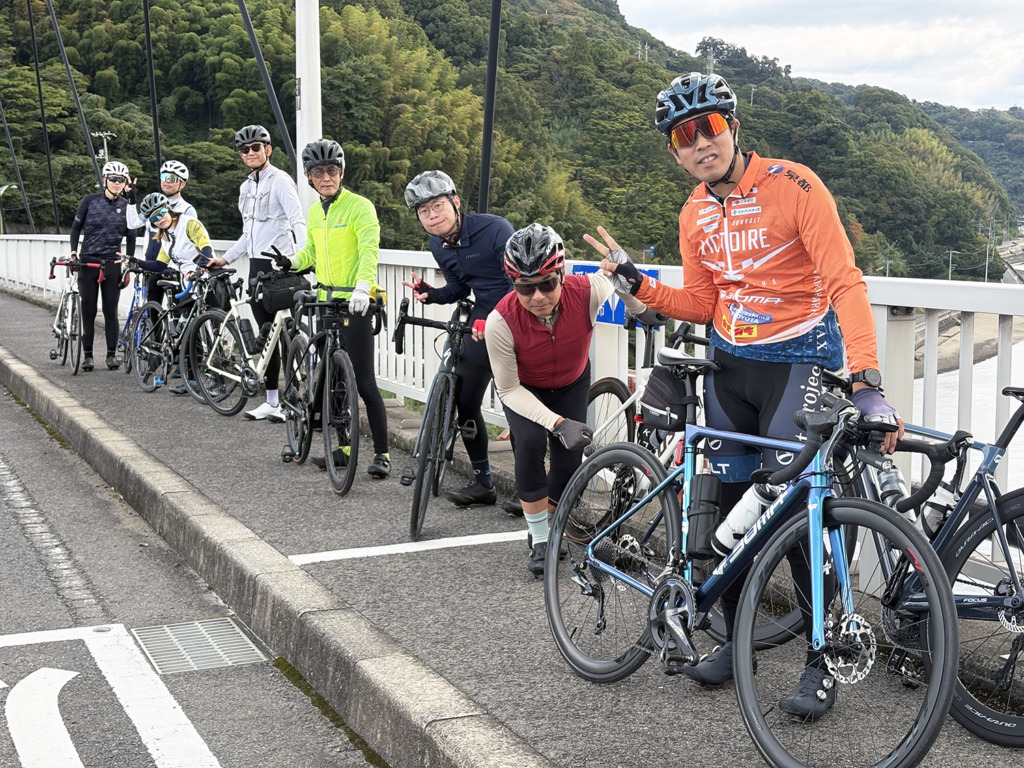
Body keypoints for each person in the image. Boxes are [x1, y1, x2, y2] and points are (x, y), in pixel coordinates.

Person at [588, 71, 903, 719]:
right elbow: (701, 304)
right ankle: (734, 645)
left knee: (792, 517)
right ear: (673, 151)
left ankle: (823, 663)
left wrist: (867, 378)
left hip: (802, 362)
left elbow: (845, 282)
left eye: (709, 126)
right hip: (732, 367)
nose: (700, 141)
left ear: (732, 127)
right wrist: (637, 284)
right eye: (684, 134)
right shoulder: (695, 213)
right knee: (733, 513)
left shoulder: (795, 185)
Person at [484, 224, 648, 576]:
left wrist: (637, 303)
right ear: (514, 285)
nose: (538, 296)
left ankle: (553, 525)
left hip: (572, 381)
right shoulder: (501, 320)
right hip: (525, 390)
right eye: (525, 288)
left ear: (561, 274)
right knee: (528, 445)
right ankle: (540, 539)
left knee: (568, 463)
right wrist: (557, 423)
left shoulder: (587, 289)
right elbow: (509, 390)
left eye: (547, 284)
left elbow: (622, 288)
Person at [402, 170, 521, 511]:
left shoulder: (495, 230)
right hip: (480, 323)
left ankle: (529, 489)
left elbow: (519, 282)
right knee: (465, 400)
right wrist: (433, 294)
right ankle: (483, 482)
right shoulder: (436, 244)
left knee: (516, 406)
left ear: (455, 202)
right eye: (424, 211)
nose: (432, 215)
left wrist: (494, 317)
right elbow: (459, 288)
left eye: (438, 205)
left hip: (516, 318)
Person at [273, 138, 391, 480]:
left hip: (356, 301)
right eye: (319, 172)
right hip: (324, 301)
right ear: (310, 177)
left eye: (333, 170)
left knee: (364, 381)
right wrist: (292, 261)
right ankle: (342, 449)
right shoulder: (314, 211)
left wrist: (363, 287)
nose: (327, 177)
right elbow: (311, 251)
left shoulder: (360, 207)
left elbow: (370, 251)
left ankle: (382, 454)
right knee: (333, 377)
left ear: (342, 172)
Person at [205, 125, 306, 421]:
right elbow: (247, 235)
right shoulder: (245, 187)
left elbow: (298, 221)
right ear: (241, 154)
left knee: (287, 335)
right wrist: (226, 259)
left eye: (256, 147)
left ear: (268, 150)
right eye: (245, 149)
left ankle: (294, 400)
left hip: (279, 267)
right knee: (267, 337)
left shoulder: (281, 181)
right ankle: (273, 401)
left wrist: (301, 257)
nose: (251, 153)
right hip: (255, 269)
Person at [69, 160, 138, 372]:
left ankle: (111, 355)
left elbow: (132, 234)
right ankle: (88, 356)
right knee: (88, 309)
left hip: (112, 262)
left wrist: (129, 259)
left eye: (121, 180)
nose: (117, 183)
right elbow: (75, 228)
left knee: (110, 310)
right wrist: (73, 252)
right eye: (113, 179)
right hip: (88, 261)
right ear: (105, 180)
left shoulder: (127, 207)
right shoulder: (89, 200)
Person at [125, 160, 199, 310]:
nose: (166, 181)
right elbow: (132, 223)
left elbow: (191, 244)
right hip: (152, 265)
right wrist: (131, 201)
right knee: (153, 314)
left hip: (175, 269)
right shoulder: (154, 204)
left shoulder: (187, 210)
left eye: (172, 178)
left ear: (182, 184)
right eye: (164, 176)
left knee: (179, 314)